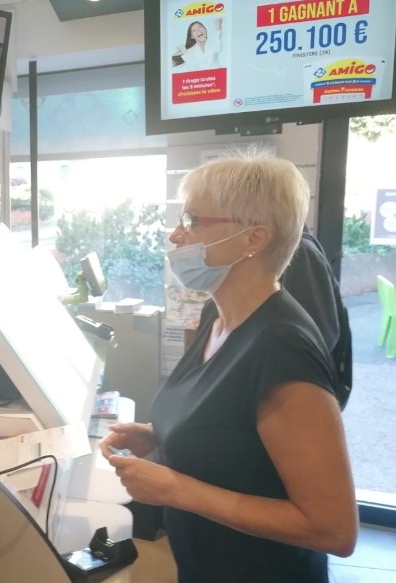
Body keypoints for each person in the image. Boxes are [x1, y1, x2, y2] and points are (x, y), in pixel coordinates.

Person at [100, 154, 357, 582]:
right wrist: (160, 434)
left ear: (252, 238)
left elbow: (333, 529)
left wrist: (177, 489)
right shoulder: (216, 317)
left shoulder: (282, 346)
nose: (176, 235)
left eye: (193, 221)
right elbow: (232, 428)